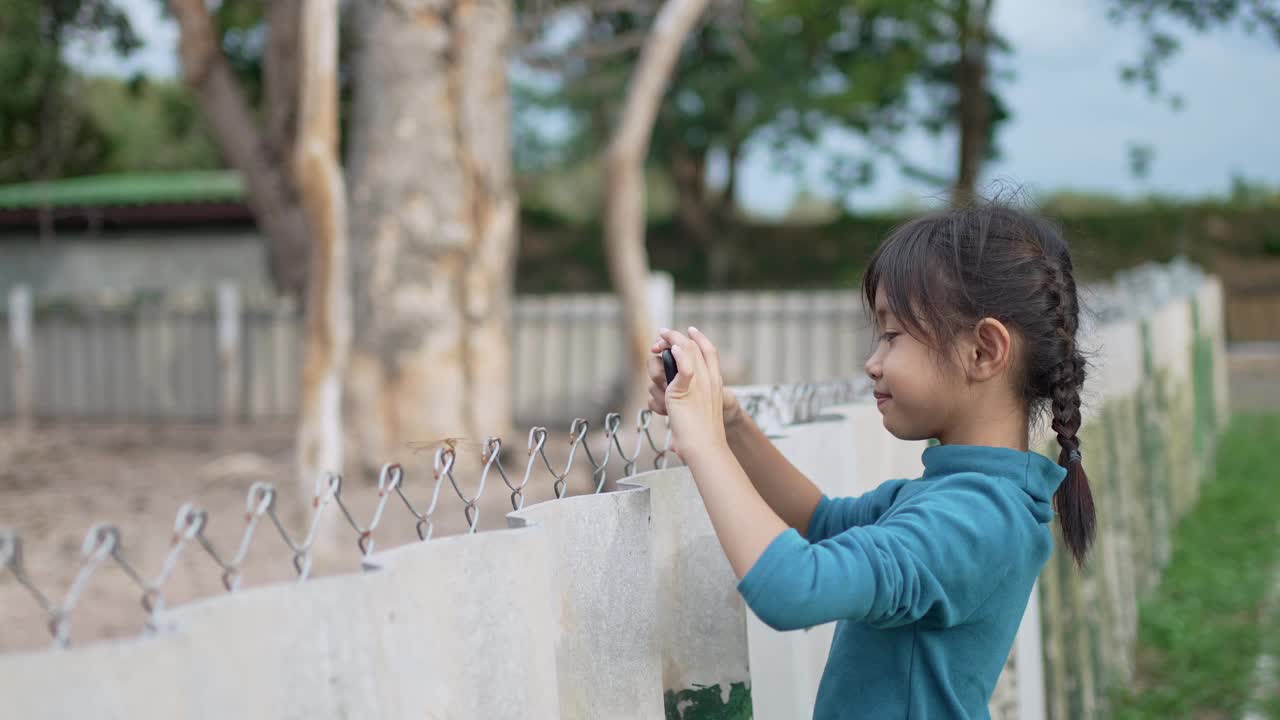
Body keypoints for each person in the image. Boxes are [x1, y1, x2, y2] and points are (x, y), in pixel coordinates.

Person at [647, 202, 1096, 719]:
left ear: (983, 351)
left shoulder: (974, 518)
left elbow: (792, 588)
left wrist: (703, 443)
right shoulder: (962, 495)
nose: (872, 362)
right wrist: (728, 420)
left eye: (892, 335)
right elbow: (821, 521)